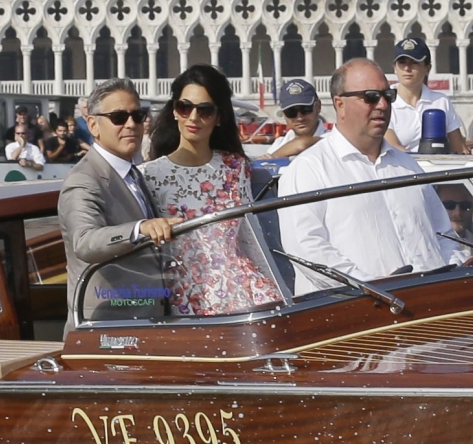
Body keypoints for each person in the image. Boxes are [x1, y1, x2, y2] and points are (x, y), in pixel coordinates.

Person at [279, 58, 456, 290]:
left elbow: (445, 235)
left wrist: (456, 271)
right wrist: (371, 287)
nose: (382, 105)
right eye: (371, 97)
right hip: (359, 313)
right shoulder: (308, 170)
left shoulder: (408, 166)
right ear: (340, 104)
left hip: (431, 305)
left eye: (388, 96)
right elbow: (307, 250)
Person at [139, 65, 282, 316]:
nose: (193, 117)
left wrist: (278, 287)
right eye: (185, 107)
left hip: (244, 289)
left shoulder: (235, 167)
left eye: (204, 110)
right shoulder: (148, 175)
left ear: (218, 117)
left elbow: (250, 239)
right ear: (175, 111)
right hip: (183, 294)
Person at [58, 78, 174, 315]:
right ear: (93, 125)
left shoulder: (134, 173)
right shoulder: (84, 179)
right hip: (107, 323)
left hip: (149, 317)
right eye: (119, 118)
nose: (131, 124)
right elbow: (84, 241)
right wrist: (141, 229)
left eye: (138, 116)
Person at [382, 38, 472, 154]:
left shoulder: (441, 101)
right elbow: (393, 147)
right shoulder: (386, 100)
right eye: (402, 62)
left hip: (437, 169)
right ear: (394, 68)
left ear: (427, 68)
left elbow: (459, 149)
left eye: (414, 62)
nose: (407, 68)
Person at [266, 78, 327, 158]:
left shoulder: (333, 138)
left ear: (318, 106)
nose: (299, 118)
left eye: (305, 109)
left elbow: (301, 144)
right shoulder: (278, 144)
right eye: (291, 112)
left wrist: (274, 157)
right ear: (283, 113)